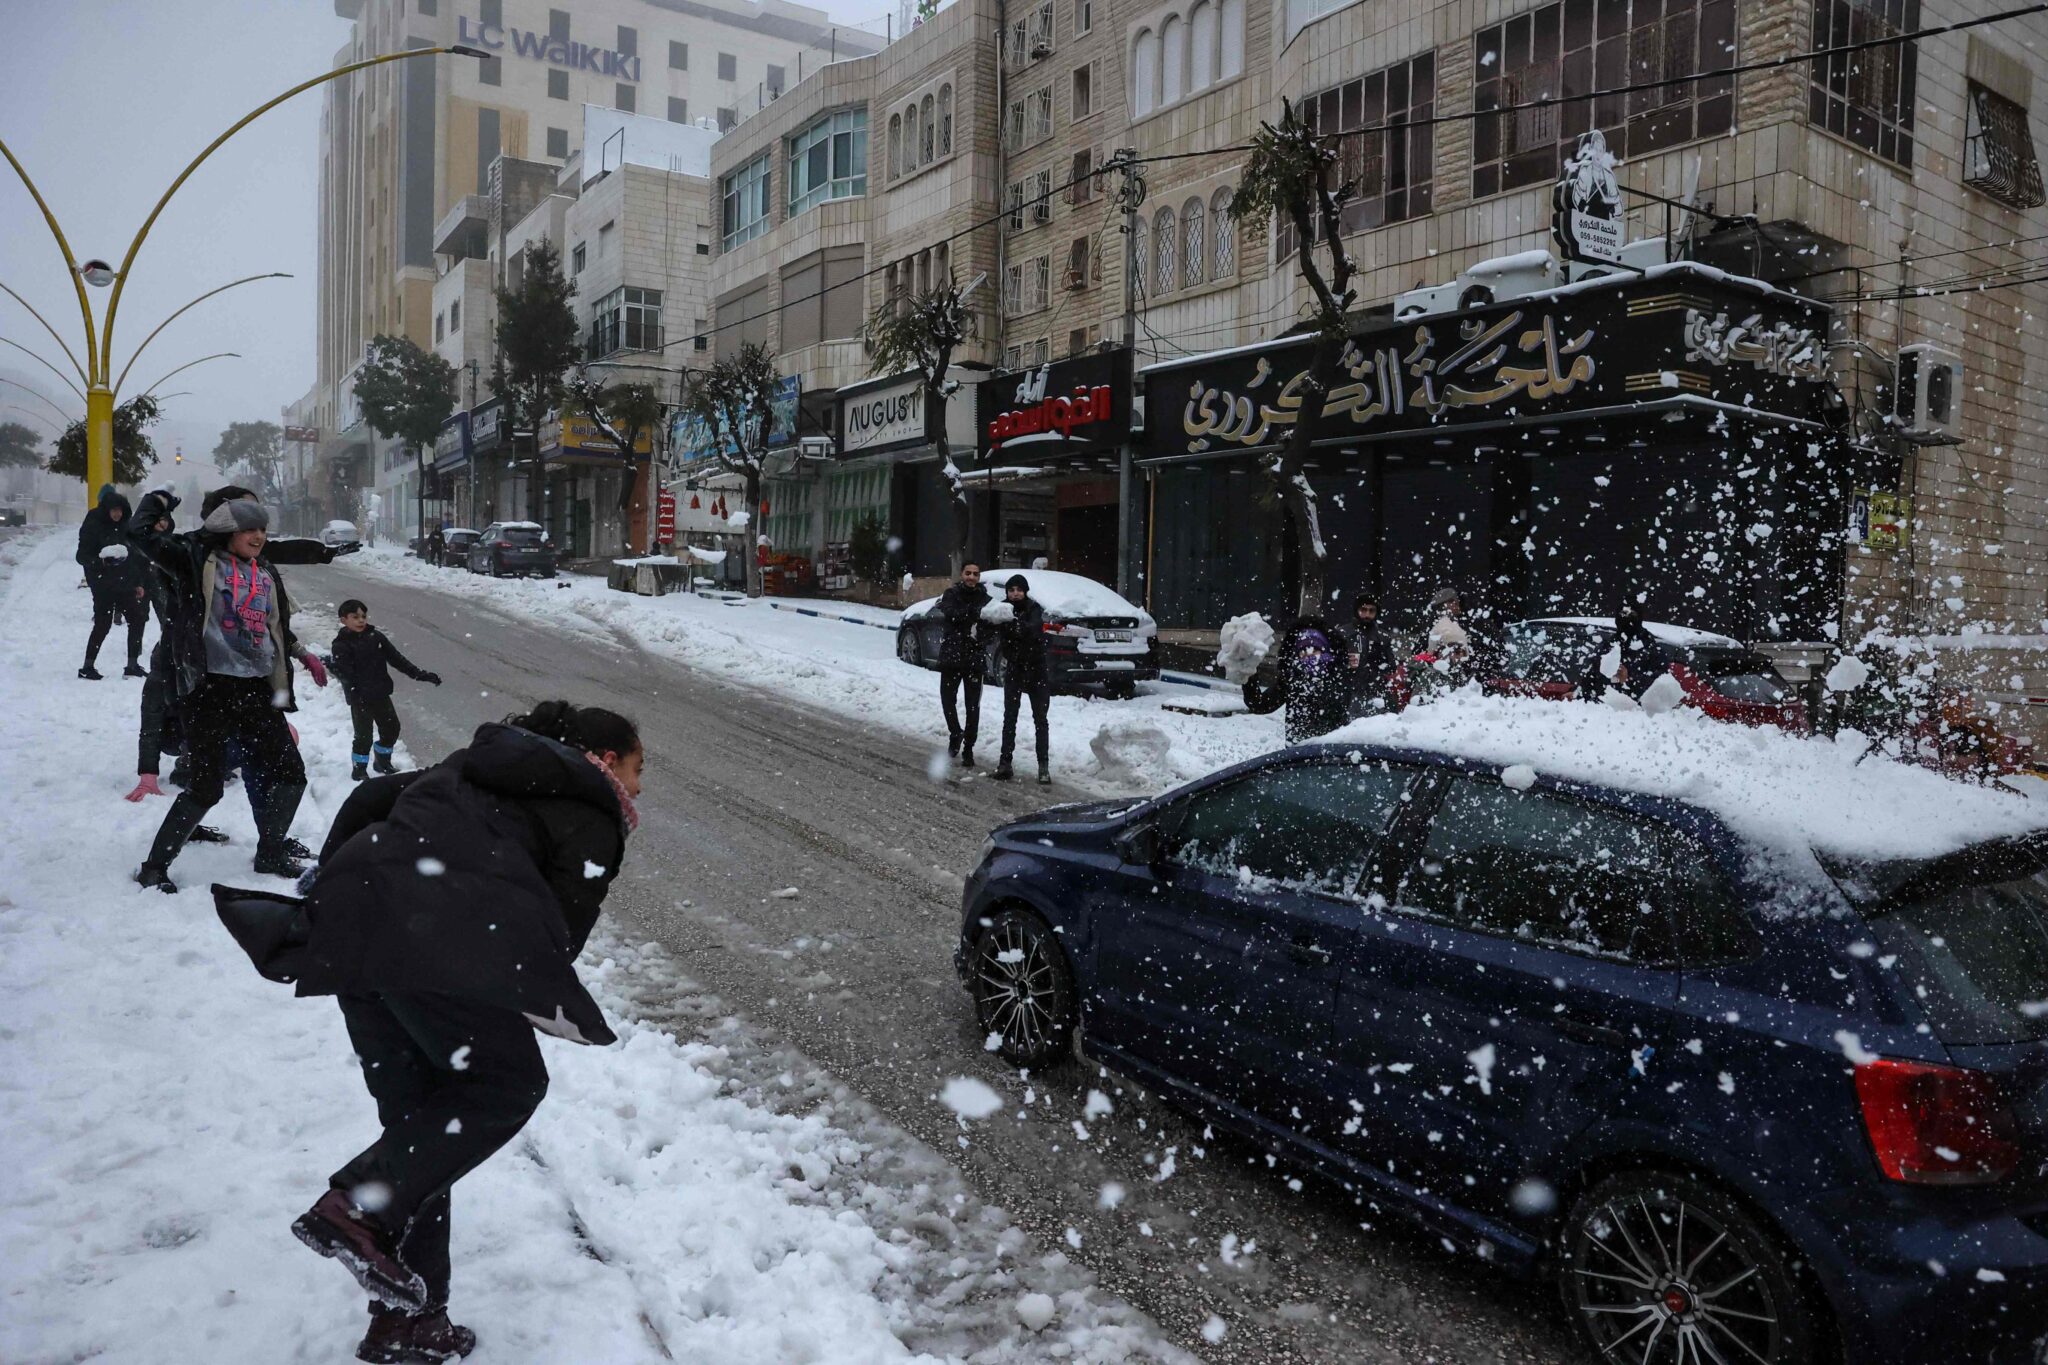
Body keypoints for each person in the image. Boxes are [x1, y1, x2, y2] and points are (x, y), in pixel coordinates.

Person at [278, 701, 641, 1362]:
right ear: (608, 759)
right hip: (429, 938)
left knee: (422, 1136)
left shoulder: (473, 769)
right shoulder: (593, 807)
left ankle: (407, 1321)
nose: (640, 790)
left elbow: (369, 796)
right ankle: (355, 1208)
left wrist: (335, 896)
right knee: (507, 1082)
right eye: (639, 769)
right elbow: (555, 940)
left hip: (360, 935)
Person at [129, 494, 328, 891]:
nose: (258, 536)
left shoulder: (263, 572)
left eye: (262, 529)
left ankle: (270, 852)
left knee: (291, 774)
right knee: (206, 786)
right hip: (208, 690)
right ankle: (154, 867)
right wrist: (157, 500)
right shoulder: (196, 561)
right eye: (248, 529)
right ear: (226, 531)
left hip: (255, 689)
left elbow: (275, 620)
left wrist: (324, 553)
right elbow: (140, 534)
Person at [330, 599, 443, 782]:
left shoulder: (376, 637)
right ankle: (359, 770)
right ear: (344, 620)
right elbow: (346, 674)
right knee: (363, 737)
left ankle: (382, 761)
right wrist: (335, 668)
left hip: (380, 693)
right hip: (359, 697)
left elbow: (397, 659)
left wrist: (420, 675)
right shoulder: (341, 645)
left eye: (363, 616)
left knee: (391, 728)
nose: (361, 620)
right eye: (355, 617)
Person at [76, 482, 148, 680]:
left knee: (137, 619)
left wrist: (138, 582)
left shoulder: (126, 526)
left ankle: (132, 664)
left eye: (120, 511)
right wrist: (100, 562)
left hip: (125, 582)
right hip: (103, 584)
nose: (117, 514)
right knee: (103, 623)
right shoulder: (94, 523)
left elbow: (134, 556)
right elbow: (82, 555)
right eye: (113, 510)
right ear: (106, 509)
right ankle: (87, 666)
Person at [988, 574, 1051, 784]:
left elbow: (1035, 630)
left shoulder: (1034, 609)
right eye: (1011, 590)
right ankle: (1005, 763)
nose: (1015, 593)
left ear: (1025, 591)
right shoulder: (1002, 609)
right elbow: (993, 628)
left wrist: (1018, 626)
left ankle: (1043, 767)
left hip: (1036, 670)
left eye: (1019, 589)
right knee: (1010, 717)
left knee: (1040, 719)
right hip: (1014, 668)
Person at [933, 564, 989, 767]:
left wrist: (982, 631)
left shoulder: (985, 598)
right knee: (947, 700)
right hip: (951, 658)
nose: (971, 577)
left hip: (974, 659)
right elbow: (952, 614)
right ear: (962, 575)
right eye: (968, 573)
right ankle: (955, 732)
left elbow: (990, 625)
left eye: (975, 574)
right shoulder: (951, 594)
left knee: (973, 705)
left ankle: (969, 748)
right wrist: (975, 613)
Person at [1281, 613, 1350, 743]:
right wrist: (1249, 676)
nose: (1309, 656)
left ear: (1324, 651)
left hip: (1332, 747)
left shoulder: (1338, 675)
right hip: (1297, 752)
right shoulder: (1292, 676)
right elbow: (1262, 705)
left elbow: (1342, 706)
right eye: (1303, 651)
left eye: (1314, 650)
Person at [1346, 592, 1397, 716]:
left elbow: (1392, 666)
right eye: (1363, 610)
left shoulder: (1383, 636)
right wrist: (1346, 663)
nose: (1367, 614)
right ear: (1357, 610)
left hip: (1376, 690)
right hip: (1350, 690)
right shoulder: (1344, 633)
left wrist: (1379, 661)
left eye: (1371, 611)